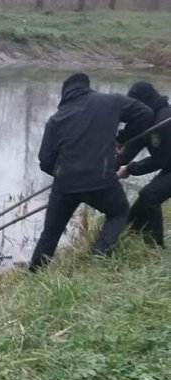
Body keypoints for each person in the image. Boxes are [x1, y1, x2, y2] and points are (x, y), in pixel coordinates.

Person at [29, 73, 152, 271]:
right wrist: (123, 138)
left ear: (65, 94)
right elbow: (144, 113)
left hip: (65, 186)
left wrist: (62, 171)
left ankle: (33, 276)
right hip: (101, 182)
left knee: (49, 235)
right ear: (87, 86)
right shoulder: (111, 102)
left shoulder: (56, 119)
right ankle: (99, 255)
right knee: (119, 212)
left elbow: (45, 162)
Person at [117, 81, 171, 248]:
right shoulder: (147, 119)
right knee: (143, 202)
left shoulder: (163, 121)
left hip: (168, 164)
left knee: (150, 196)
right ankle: (129, 234)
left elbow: (159, 160)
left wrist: (130, 169)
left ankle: (156, 248)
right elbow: (132, 147)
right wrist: (109, 166)